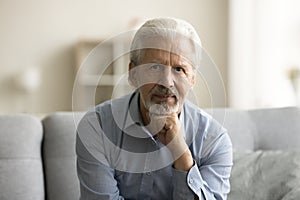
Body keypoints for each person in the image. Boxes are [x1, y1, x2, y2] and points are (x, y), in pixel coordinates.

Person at [76, 17, 233, 200]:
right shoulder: (97, 126)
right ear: (133, 74)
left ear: (192, 79)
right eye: (155, 67)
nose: (166, 82)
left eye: (179, 69)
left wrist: (180, 152)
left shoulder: (214, 141)